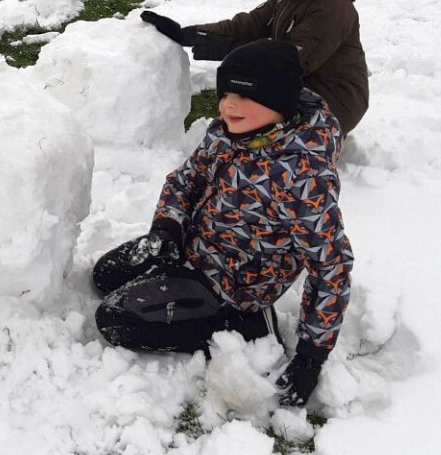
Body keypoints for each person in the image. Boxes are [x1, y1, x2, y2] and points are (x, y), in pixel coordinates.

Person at [92, 39, 354, 406]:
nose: (229, 104)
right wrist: (167, 229)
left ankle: (242, 323)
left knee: (115, 320)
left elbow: (331, 266)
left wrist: (312, 355)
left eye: (245, 96)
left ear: (279, 102)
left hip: (237, 282)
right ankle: (177, 266)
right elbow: (184, 181)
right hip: (195, 243)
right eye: (226, 92)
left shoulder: (302, 178)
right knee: (104, 276)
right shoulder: (228, 132)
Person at [141, 0, 369, 134]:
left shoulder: (333, 6)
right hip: (302, 81)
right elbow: (251, 24)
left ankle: (310, 144)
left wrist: (233, 51)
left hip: (336, 98)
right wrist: (189, 34)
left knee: (253, 98)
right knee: (246, 98)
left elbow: (294, 61)